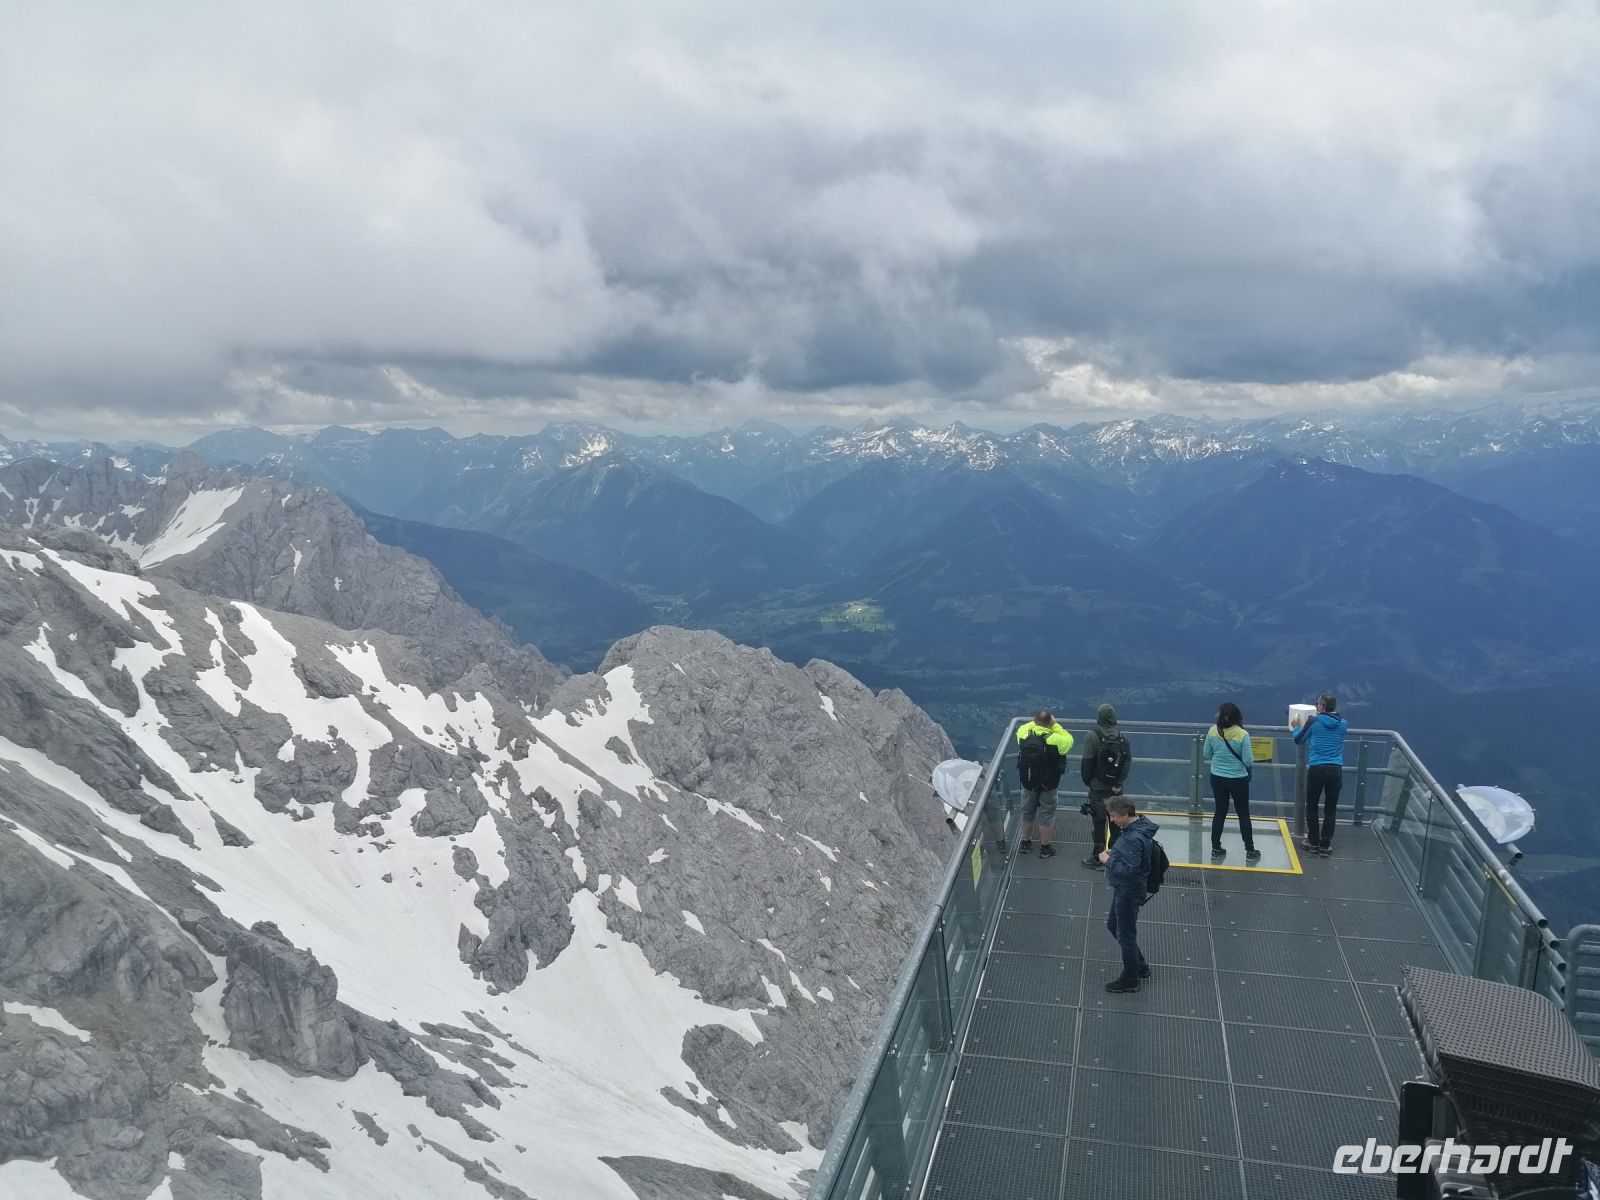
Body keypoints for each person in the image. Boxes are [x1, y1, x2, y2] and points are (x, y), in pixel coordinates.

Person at [1099, 797, 1158, 993]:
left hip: (1128, 890)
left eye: (1114, 816)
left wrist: (1107, 860)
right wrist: (1115, 854)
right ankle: (1140, 966)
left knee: (1125, 935)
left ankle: (1131, 978)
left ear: (1125, 815)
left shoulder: (1133, 839)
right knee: (1114, 925)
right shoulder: (1139, 829)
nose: (1112, 820)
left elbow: (1129, 870)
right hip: (1128, 888)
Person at [1293, 692, 1349, 857]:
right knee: (1330, 808)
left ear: (1322, 706)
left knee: (1312, 805)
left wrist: (1296, 725)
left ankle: (1313, 842)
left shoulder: (1313, 721)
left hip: (1317, 768)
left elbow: (1299, 740)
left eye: (1317, 704)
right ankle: (1326, 844)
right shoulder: (1344, 723)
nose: (1316, 706)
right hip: (1335, 769)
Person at [1204, 701, 1260, 863]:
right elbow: (1248, 761)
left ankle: (1216, 848)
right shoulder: (1242, 734)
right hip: (1238, 779)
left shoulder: (1213, 731)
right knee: (1243, 813)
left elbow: (1206, 754)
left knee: (1219, 812)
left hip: (1217, 777)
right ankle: (1250, 851)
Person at [1078, 703, 1132, 870]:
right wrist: (1117, 783)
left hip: (1098, 787)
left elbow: (1086, 764)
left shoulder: (1092, 736)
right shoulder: (1123, 738)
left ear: (1099, 718)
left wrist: (1090, 783)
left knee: (1099, 823)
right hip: (1116, 789)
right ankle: (1114, 856)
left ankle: (1097, 857)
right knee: (1115, 823)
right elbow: (1127, 763)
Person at [1015, 709, 1073, 859]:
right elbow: (1069, 739)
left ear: (1034, 721)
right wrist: (1054, 724)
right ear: (1050, 722)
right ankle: (1045, 848)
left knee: (1027, 812)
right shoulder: (1056, 739)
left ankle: (1026, 843)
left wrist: (1038, 722)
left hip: (1028, 781)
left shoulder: (1023, 732)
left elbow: (1029, 725)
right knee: (1046, 815)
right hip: (1049, 783)